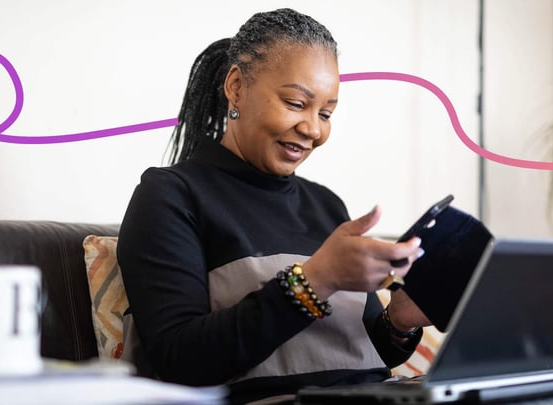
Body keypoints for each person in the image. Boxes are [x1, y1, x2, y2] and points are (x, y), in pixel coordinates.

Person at [117, 8, 431, 404]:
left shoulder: (326, 205)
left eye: (326, 113)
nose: (314, 130)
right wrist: (315, 280)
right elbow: (181, 361)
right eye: (296, 103)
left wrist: (400, 323)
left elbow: (357, 356)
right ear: (236, 86)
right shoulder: (170, 195)